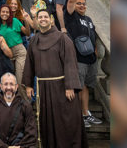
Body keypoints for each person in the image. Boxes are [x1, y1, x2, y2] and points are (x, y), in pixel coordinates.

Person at [22, 9, 88, 148]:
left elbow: (70, 61)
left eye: (46, 17)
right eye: (40, 17)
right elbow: (29, 62)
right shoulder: (34, 40)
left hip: (62, 88)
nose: (43, 19)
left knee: (65, 122)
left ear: (51, 20)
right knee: (48, 123)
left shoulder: (62, 38)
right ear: (37, 20)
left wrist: (70, 86)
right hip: (43, 89)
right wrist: (28, 85)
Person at [65, 0, 102, 128]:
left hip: (91, 59)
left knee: (85, 86)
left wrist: (96, 49)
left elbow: (93, 35)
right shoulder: (72, 17)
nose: (81, 5)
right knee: (78, 87)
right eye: (79, 3)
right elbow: (70, 1)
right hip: (78, 59)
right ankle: (78, 116)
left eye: (83, 4)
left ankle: (86, 113)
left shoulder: (89, 19)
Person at [0, 73, 37, 148]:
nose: (9, 87)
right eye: (6, 84)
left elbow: (31, 133)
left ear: (16, 87)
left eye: (11, 84)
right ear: (1, 86)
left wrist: (19, 147)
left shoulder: (26, 106)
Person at [0, 5, 27, 86]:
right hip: (7, 53)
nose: (5, 14)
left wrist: (26, 20)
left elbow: (27, 32)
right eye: (3, 11)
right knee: (10, 81)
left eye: (7, 12)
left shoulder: (15, 21)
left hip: (19, 51)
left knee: (20, 79)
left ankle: (26, 99)